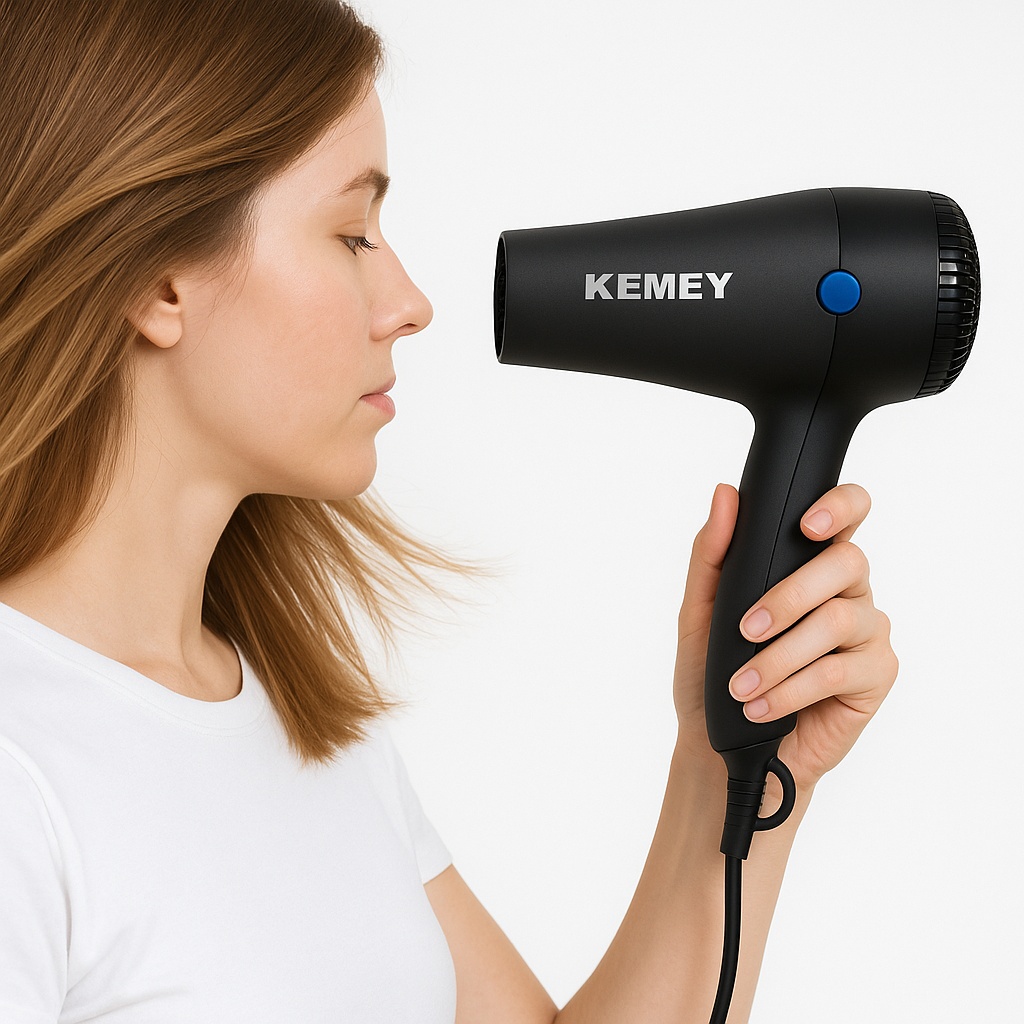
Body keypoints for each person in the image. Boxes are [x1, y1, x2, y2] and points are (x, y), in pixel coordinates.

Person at [0, 1, 899, 1021]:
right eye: (351, 234)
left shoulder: (302, 727)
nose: (410, 303)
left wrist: (731, 768)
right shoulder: (21, 769)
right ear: (159, 280)